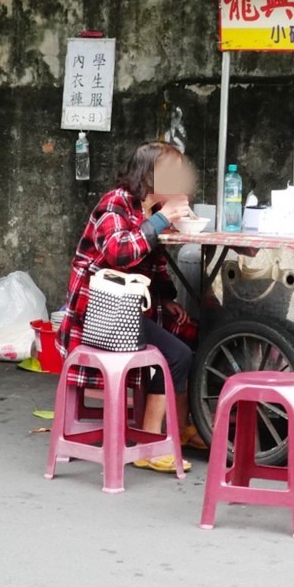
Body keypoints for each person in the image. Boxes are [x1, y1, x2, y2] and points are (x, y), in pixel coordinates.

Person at [58, 141, 203, 473]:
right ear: (149, 176)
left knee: (193, 333)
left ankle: (180, 430)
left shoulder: (149, 210)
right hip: (99, 315)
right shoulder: (116, 203)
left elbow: (154, 266)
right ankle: (149, 446)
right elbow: (119, 253)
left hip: (133, 308)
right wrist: (163, 218)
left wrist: (166, 298)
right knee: (176, 354)